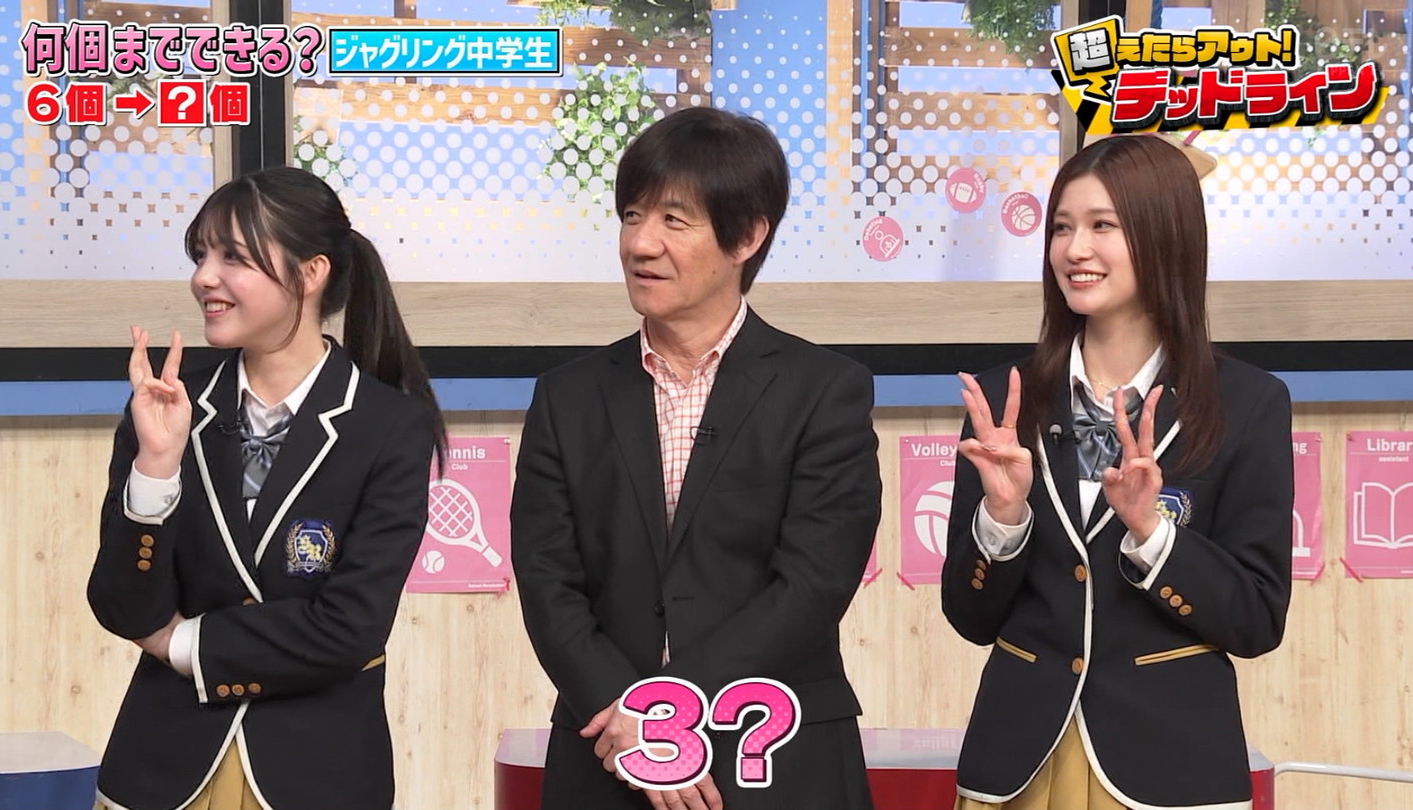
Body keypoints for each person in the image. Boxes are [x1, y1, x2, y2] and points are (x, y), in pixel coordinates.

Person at [511, 106, 883, 810]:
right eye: (631, 216)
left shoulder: (824, 391)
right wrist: (628, 720)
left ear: (747, 236)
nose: (640, 243)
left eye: (672, 221)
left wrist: (662, 715)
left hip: (772, 749)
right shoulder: (568, 397)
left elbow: (811, 585)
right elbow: (546, 580)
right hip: (606, 751)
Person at [941, 134, 1293, 810]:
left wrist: (1152, 534)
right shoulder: (1004, 400)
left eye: (1103, 226)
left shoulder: (1247, 403)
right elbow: (970, 615)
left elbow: (1256, 620)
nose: (1075, 249)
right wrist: (1003, 519)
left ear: (1166, 235)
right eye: (1062, 227)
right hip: (1015, 764)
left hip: (1171, 769)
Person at [87, 166, 447, 810]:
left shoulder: (389, 426)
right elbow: (121, 604)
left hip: (318, 773)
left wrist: (182, 643)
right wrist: (157, 466)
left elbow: (350, 629)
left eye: (234, 257)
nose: (204, 277)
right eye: (201, 256)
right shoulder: (169, 407)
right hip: (162, 768)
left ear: (311, 273)